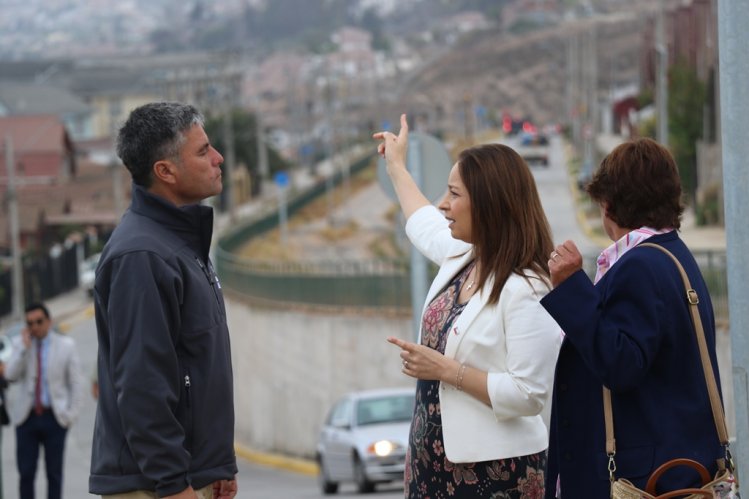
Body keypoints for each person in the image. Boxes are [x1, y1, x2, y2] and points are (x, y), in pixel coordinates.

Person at [374, 115, 560, 497]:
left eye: (454, 195)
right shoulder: (465, 256)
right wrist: (396, 165)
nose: (444, 204)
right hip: (431, 466)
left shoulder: (529, 287)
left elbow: (529, 394)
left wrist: (445, 369)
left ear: (491, 205)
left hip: (494, 474)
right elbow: (422, 220)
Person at [542, 138, 725, 497]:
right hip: (675, 467)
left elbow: (621, 363)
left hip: (641, 480)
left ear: (608, 204)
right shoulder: (674, 254)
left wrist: (571, 288)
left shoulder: (638, 265)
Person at [89, 102, 238, 499]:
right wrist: (174, 485)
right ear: (165, 171)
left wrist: (216, 465)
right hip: (156, 486)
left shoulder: (178, 244)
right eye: (203, 151)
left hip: (189, 475)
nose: (218, 158)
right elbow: (142, 384)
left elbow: (195, 364)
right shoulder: (142, 256)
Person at [5, 302, 84, 499]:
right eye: (30, 323)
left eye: (39, 321)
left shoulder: (66, 346)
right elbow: (10, 375)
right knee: (26, 474)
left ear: (48, 321)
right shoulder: (20, 345)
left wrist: (70, 416)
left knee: (54, 475)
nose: (35, 327)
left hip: (54, 418)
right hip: (27, 418)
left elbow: (76, 384)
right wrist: (24, 348)